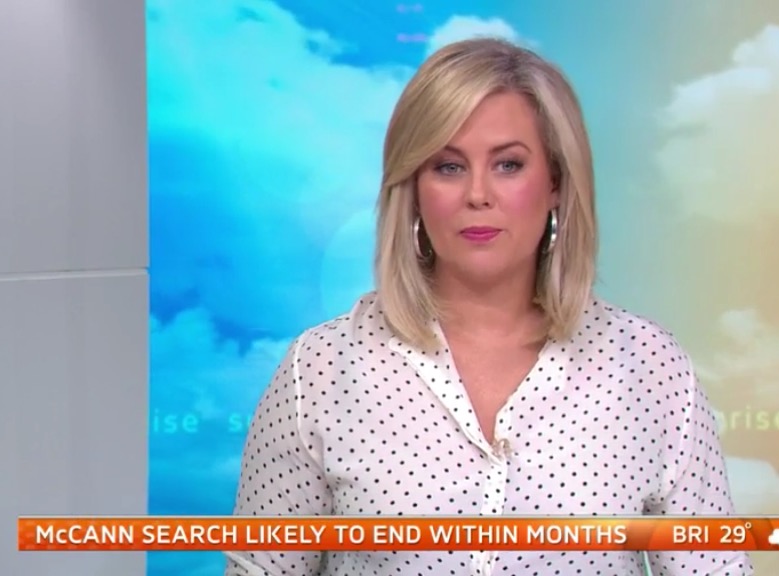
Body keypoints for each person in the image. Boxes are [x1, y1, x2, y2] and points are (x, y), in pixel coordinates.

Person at [225, 38, 752, 576]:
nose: (478, 194)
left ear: (555, 183)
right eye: (449, 167)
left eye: (507, 164)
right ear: (414, 187)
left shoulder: (649, 367)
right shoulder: (319, 370)